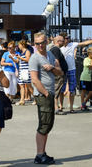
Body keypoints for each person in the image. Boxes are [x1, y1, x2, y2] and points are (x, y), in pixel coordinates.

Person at [29, 32, 63, 164]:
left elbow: (60, 72)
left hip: (50, 92)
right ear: (34, 44)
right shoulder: (34, 58)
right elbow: (35, 80)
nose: (40, 45)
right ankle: (39, 155)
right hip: (43, 95)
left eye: (42, 42)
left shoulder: (49, 54)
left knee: (48, 124)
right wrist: (47, 94)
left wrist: (52, 67)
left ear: (46, 42)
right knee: (44, 125)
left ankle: (42, 153)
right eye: (37, 44)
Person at [60, 35, 92, 113]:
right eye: (66, 38)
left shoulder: (72, 45)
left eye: (68, 38)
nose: (68, 39)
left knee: (72, 90)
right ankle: (61, 107)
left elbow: (84, 43)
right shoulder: (59, 48)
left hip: (72, 70)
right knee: (61, 90)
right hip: (63, 70)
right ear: (62, 40)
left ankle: (71, 107)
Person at [50, 36, 68, 115]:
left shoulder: (53, 49)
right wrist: (60, 71)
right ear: (58, 41)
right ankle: (56, 109)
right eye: (63, 41)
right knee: (56, 91)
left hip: (57, 73)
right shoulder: (56, 49)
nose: (64, 43)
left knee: (56, 91)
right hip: (58, 74)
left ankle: (56, 108)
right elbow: (56, 61)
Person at [16, 40, 32, 105]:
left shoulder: (27, 51)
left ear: (22, 45)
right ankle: (22, 100)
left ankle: (36, 99)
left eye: (19, 45)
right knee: (21, 85)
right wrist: (12, 58)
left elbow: (28, 59)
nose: (18, 46)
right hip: (21, 70)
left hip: (26, 70)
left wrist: (20, 58)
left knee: (28, 85)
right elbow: (17, 61)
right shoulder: (21, 52)